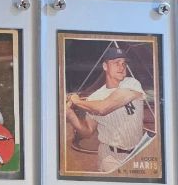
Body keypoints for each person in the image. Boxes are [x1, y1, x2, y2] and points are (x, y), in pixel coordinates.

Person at [65, 43, 151, 173]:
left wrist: (76, 101)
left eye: (123, 63)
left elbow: (103, 108)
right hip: (110, 157)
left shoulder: (132, 83)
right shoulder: (95, 97)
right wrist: (70, 115)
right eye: (116, 63)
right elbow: (87, 131)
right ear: (105, 66)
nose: (121, 67)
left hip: (138, 153)